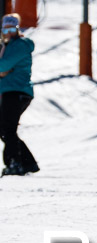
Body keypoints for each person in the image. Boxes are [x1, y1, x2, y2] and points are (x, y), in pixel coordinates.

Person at [0, 13, 38, 177]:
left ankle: (15, 163)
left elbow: (3, 66)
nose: (8, 31)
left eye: (12, 28)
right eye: (5, 28)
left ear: (17, 29)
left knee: (7, 128)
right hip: (10, 91)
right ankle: (27, 162)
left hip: (17, 91)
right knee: (4, 128)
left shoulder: (20, 45)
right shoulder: (7, 46)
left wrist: (3, 71)